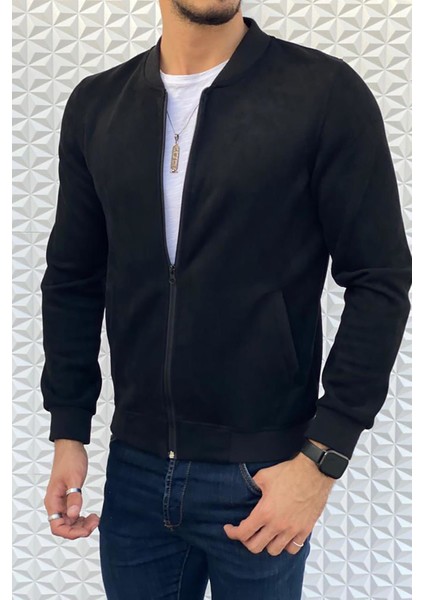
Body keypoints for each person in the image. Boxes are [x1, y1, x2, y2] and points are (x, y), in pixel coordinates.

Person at [40, 1, 412, 598]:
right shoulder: (97, 104)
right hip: (134, 473)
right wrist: (68, 431)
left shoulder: (322, 93)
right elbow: (73, 278)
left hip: (263, 476)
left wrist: (322, 459)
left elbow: (379, 279)